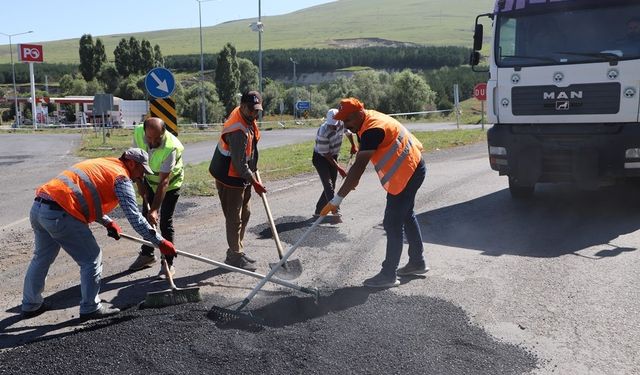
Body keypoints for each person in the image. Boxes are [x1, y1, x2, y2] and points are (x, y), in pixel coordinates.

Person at [21, 148, 177, 320]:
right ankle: (90, 307)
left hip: (39, 208)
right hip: (61, 213)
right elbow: (134, 217)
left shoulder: (106, 165)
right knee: (91, 258)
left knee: (41, 257)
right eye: (141, 170)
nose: (141, 176)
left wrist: (108, 222)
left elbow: (86, 197)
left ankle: (30, 304)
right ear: (131, 163)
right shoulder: (121, 178)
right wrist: (160, 242)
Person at [321, 98, 428, 288]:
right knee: (406, 215)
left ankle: (388, 274)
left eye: (347, 121)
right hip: (413, 166)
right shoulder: (366, 120)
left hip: (408, 171)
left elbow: (357, 170)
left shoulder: (372, 130)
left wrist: (336, 200)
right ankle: (417, 263)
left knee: (392, 222)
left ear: (357, 114)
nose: (345, 125)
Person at [209, 91, 267, 271]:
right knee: (234, 219)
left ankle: (236, 251)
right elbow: (239, 164)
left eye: (257, 110)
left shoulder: (247, 119)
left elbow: (250, 152)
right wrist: (255, 182)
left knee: (246, 213)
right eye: (251, 110)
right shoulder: (238, 130)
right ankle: (235, 255)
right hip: (229, 176)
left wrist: (254, 171)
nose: (254, 114)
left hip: (242, 174)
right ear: (242, 106)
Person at [129, 117, 184, 279]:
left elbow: (164, 182)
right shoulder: (139, 132)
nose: (152, 142)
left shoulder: (171, 147)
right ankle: (147, 255)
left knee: (165, 222)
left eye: (157, 138)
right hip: (149, 180)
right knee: (146, 219)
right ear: (145, 132)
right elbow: (134, 160)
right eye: (149, 138)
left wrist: (155, 210)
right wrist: (139, 183)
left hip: (170, 184)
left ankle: (168, 262)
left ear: (164, 132)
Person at [312, 108, 357, 220]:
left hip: (333, 155)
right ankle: (335, 210)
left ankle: (319, 210)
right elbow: (326, 154)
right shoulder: (323, 131)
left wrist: (353, 145)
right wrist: (339, 168)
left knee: (331, 184)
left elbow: (348, 133)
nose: (334, 127)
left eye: (335, 124)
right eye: (332, 125)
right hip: (321, 158)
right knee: (328, 184)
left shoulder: (342, 123)